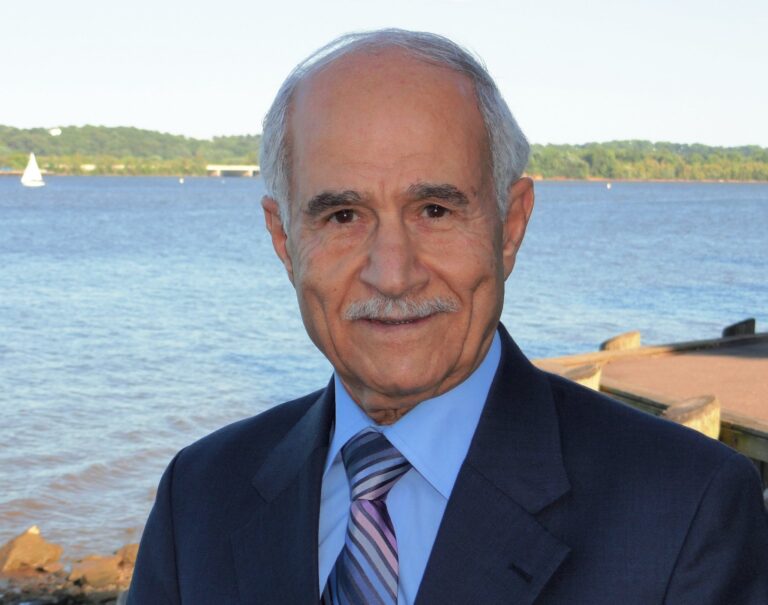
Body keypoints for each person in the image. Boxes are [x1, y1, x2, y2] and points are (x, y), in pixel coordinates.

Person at [128, 29, 768, 604]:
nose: (393, 273)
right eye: (343, 216)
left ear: (510, 225)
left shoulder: (688, 508)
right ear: (283, 239)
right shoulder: (200, 496)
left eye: (434, 210)